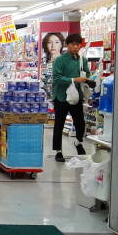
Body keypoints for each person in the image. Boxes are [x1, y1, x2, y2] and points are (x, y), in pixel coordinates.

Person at [52, 33, 95, 162]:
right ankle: (58, 151)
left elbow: (86, 73)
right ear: (67, 45)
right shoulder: (60, 60)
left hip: (77, 96)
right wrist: (74, 79)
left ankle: (78, 142)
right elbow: (57, 78)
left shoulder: (83, 60)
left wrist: (89, 80)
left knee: (80, 122)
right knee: (59, 124)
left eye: (78, 44)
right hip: (61, 96)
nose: (76, 47)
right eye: (73, 44)